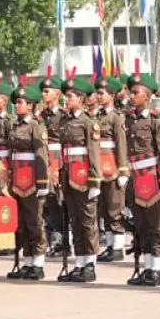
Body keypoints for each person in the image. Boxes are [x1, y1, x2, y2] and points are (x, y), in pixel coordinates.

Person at [124, 71, 160, 286]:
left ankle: (156, 269)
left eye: (136, 93)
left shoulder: (156, 121)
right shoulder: (129, 119)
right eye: (131, 92)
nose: (131, 96)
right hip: (134, 177)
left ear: (147, 96)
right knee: (140, 224)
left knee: (154, 224)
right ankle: (146, 266)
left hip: (150, 177)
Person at [57, 76, 102, 283]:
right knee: (74, 220)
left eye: (71, 96)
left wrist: (95, 181)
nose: (67, 99)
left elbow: (93, 154)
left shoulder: (88, 123)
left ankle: (90, 263)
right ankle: (80, 261)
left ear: (81, 99)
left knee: (87, 221)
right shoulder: (65, 121)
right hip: (68, 176)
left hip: (83, 176)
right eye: (66, 96)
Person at [5, 81, 50, 280]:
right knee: (21, 223)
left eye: (21, 102)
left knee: (34, 221)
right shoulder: (14, 125)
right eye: (16, 102)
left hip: (31, 178)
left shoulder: (36, 126)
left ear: (31, 105)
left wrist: (42, 183)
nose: (17, 105)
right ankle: (27, 260)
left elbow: (42, 155)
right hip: (17, 178)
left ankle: (38, 262)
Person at [94, 76, 130, 262]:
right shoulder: (96, 116)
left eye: (102, 93)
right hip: (100, 167)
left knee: (116, 207)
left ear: (112, 95)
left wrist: (123, 170)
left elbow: (121, 144)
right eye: (98, 93)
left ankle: (117, 246)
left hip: (113, 167)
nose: (98, 96)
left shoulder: (116, 118)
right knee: (104, 208)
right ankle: (109, 245)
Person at [38, 75, 68, 257]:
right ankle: (55, 239)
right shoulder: (40, 116)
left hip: (58, 159)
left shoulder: (63, 116)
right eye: (43, 91)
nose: (43, 94)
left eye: (47, 91)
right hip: (44, 159)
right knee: (49, 203)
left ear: (57, 94)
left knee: (60, 200)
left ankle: (65, 240)